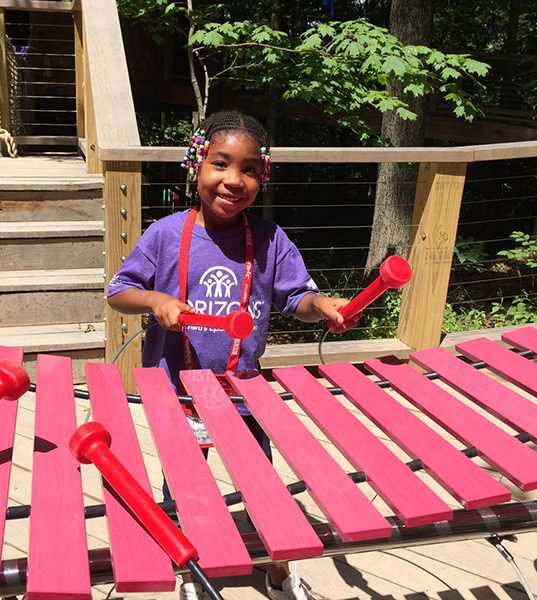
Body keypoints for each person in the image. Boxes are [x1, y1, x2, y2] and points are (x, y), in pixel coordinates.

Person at [107, 110, 361, 600]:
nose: (233, 180)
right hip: (178, 393)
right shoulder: (164, 234)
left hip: (244, 391)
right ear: (195, 165)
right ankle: (192, 574)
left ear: (261, 180)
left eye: (248, 169)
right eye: (220, 164)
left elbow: (297, 300)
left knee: (263, 488)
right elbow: (119, 290)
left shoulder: (270, 241)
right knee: (185, 491)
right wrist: (155, 300)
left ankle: (277, 570)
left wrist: (322, 305)